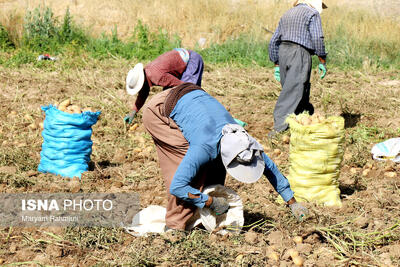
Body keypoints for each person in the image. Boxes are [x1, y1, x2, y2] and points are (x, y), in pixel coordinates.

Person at [141, 82, 308, 231]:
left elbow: (270, 168)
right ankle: (174, 226)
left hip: (191, 98)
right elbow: (178, 186)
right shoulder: (204, 147)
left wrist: (292, 203)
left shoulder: (244, 142)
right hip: (159, 112)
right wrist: (210, 202)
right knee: (189, 170)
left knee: (215, 164)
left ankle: (202, 215)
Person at [268, 0, 328, 138]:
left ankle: (301, 120)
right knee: (293, 92)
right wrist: (322, 59)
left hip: (283, 52)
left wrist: (277, 63)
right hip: (299, 52)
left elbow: (273, 41)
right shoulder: (312, 13)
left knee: (297, 89)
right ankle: (278, 130)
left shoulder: (287, 13)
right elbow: (318, 37)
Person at [124, 48, 204, 124]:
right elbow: (143, 94)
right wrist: (133, 112)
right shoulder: (146, 74)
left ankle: (199, 119)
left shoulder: (157, 76)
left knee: (188, 94)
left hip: (191, 60)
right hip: (179, 60)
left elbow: (183, 86)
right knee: (169, 96)